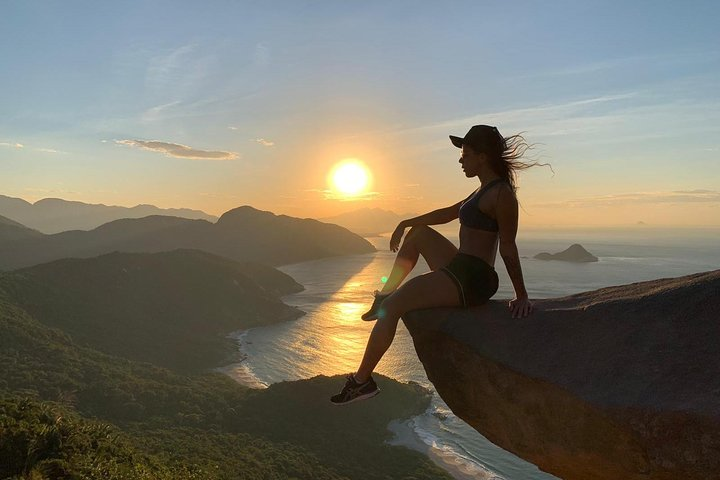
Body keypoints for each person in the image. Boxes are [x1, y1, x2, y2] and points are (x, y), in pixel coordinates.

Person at [330, 125, 539, 405]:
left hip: (473, 279)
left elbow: (508, 247)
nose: (460, 160)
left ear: (483, 156)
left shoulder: (501, 195)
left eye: (465, 154)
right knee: (418, 234)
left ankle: (361, 382)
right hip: (461, 267)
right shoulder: (482, 190)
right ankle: (384, 292)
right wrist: (406, 223)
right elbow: (448, 213)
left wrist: (521, 295)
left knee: (391, 310)